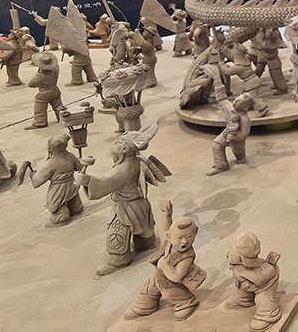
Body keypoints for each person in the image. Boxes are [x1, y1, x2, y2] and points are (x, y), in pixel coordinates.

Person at [77, 131, 159, 276]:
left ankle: (118, 261)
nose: (115, 143)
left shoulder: (122, 169)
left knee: (117, 233)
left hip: (125, 208)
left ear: (125, 149)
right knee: (145, 230)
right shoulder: (139, 159)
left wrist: (87, 181)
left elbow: (105, 183)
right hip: (141, 204)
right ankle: (146, 243)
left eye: (119, 142)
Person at [124, 202, 206, 321]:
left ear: (196, 232)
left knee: (173, 295)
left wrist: (164, 265)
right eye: (179, 238)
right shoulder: (168, 243)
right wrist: (166, 214)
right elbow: (164, 231)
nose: (184, 241)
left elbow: (177, 277)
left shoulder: (187, 256)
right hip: (157, 278)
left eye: (189, 236)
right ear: (169, 237)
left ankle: (186, 303)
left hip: (172, 285)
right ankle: (146, 305)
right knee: (147, 291)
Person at [18, 135, 92, 225]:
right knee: (76, 206)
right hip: (72, 185)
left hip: (58, 190)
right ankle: (75, 208)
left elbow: (37, 182)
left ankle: (63, 214)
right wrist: (83, 161)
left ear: (51, 148)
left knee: (59, 216)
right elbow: (79, 167)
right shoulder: (70, 156)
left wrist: (32, 174)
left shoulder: (50, 163)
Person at [223, 232, 284, 331]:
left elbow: (259, 280)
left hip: (266, 282)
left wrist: (248, 276)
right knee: (242, 290)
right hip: (248, 283)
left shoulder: (259, 270)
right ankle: (244, 299)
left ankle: (268, 314)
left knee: (263, 298)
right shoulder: (238, 263)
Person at [207, 91, 253, 177]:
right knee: (216, 145)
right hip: (226, 133)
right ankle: (221, 165)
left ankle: (241, 157)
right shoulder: (229, 107)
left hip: (237, 139)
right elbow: (222, 98)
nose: (235, 101)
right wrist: (218, 83)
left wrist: (235, 137)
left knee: (238, 151)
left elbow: (244, 133)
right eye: (236, 98)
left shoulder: (244, 119)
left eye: (239, 102)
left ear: (245, 107)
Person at [25, 52, 63, 129]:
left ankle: (40, 122)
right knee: (59, 107)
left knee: (40, 110)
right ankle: (62, 117)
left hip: (43, 94)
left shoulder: (38, 76)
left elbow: (31, 84)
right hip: (55, 91)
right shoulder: (54, 72)